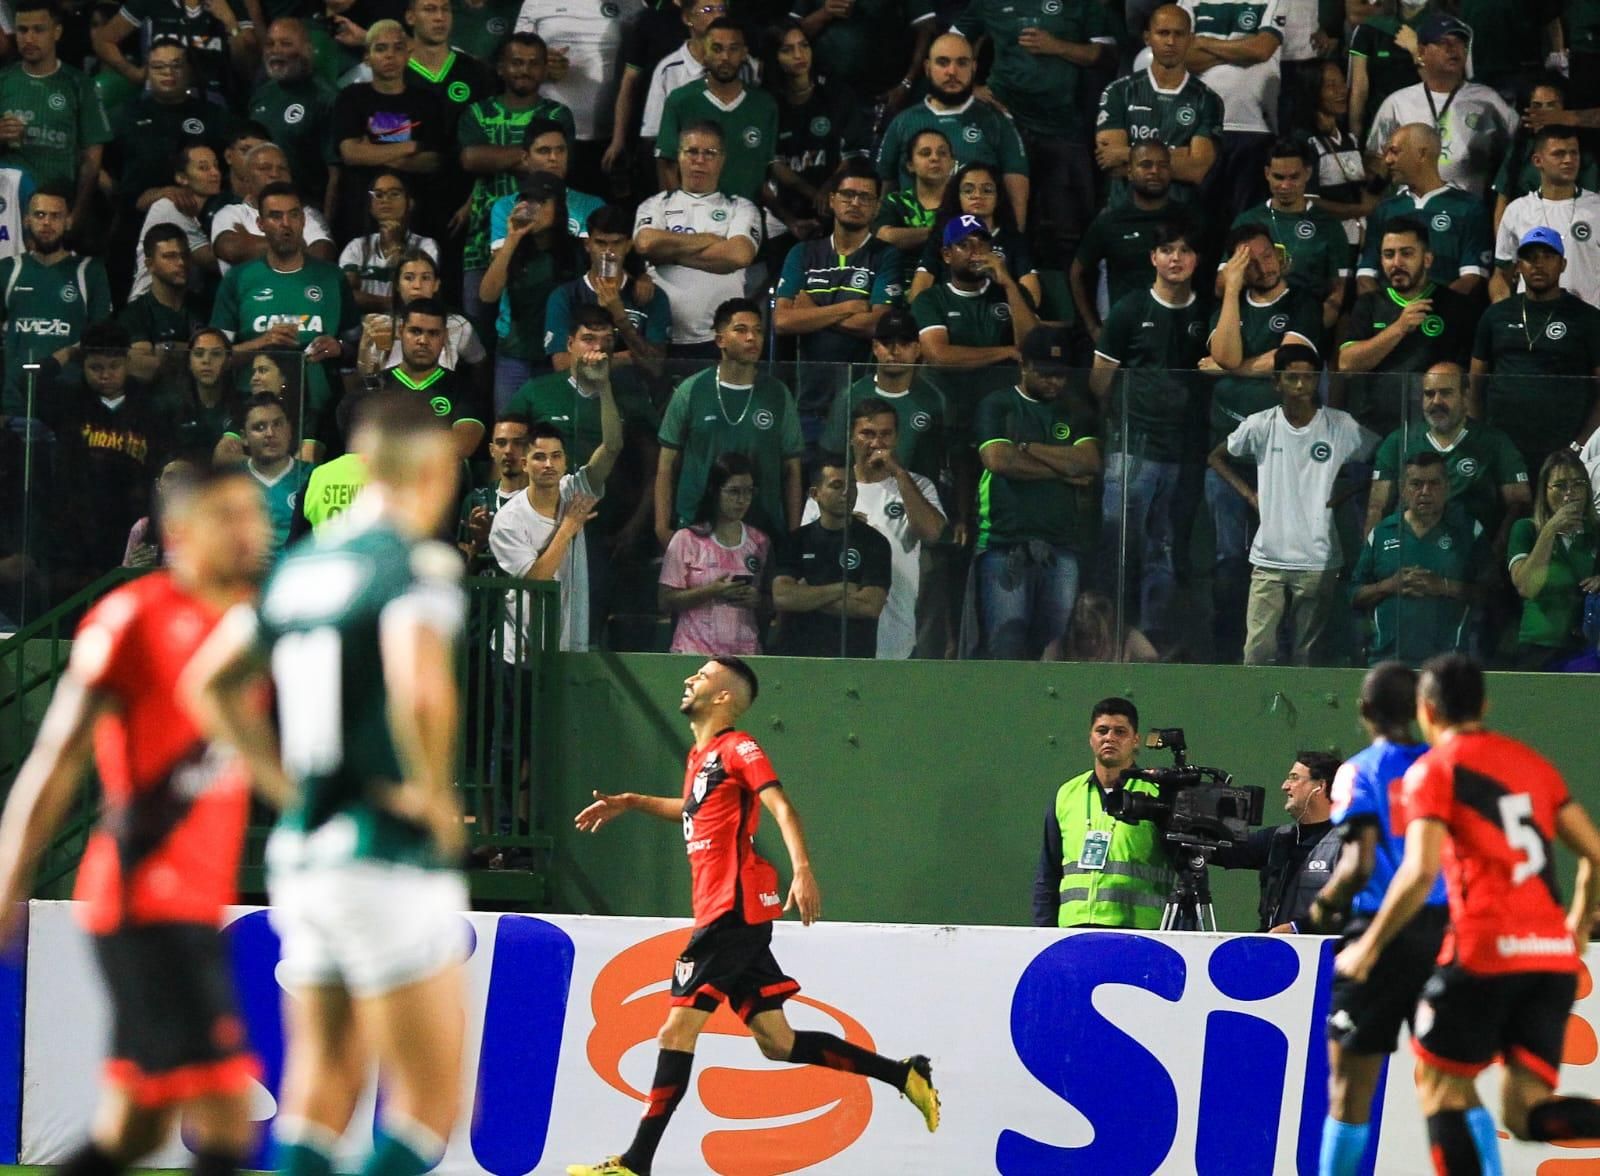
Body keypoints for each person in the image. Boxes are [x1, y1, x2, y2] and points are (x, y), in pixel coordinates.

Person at [184, 395, 473, 1176]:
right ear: (433, 468)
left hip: (304, 848)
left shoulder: (296, 571)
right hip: (383, 848)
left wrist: (282, 786)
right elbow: (418, 686)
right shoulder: (416, 561)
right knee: (428, 1101)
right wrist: (434, 792)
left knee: (322, 1083)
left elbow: (208, 683)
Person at [566, 655, 939, 1176]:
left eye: (701, 674)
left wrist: (802, 870)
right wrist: (632, 801)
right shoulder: (702, 757)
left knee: (676, 1031)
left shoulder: (740, 747)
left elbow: (782, 806)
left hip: (730, 913)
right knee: (778, 1043)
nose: (689, 677)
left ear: (723, 698)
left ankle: (634, 1164)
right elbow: (691, 807)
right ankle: (904, 1075)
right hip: (729, 914)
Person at [0, 466, 268, 1176]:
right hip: (145, 895)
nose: (251, 530)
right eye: (228, 516)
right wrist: (7, 881)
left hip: (192, 903)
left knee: (136, 1132)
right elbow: (57, 757)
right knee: (227, 1121)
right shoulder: (136, 616)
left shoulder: (249, 629)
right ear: (179, 534)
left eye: (255, 513)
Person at [1334, 653, 1600, 1172]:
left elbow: (1417, 873)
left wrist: (1368, 947)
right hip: (1551, 962)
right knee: (1525, 1114)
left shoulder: (1432, 770)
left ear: (1426, 710)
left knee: (1439, 1087)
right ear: (1485, 703)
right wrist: (1578, 922)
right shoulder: (1533, 764)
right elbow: (1594, 852)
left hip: (1485, 951)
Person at [1309, 661, 1447, 1176]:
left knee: (1350, 1088)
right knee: (1451, 1088)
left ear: (1365, 710)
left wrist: (1322, 907)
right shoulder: (1444, 764)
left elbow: (1359, 863)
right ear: (1419, 710)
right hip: (1443, 932)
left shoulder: (1359, 770)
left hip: (1377, 934)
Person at [1210, 344, 1376, 666]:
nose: (1301, 385)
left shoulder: (1340, 425)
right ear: (1277, 382)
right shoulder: (1261, 425)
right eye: (1292, 378)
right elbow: (1216, 457)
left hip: (1319, 559)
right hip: (1268, 556)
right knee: (1256, 653)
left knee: (1308, 657)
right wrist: (1250, 495)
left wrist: (1348, 493)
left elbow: (1381, 459)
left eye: (1309, 378)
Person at [1089, 216, 1210, 653]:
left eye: (1185, 250)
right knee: (1119, 545)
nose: (1176, 258)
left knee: (1164, 548)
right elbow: (1099, 381)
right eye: (1167, 250)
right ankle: (1106, 637)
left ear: (1196, 260)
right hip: (1133, 450)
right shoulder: (1130, 308)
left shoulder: (1206, 311)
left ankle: (1152, 640)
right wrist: (1114, 433)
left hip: (1183, 452)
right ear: (1153, 257)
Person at [1204, 226, 1324, 661]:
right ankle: (1230, 654)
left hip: (1288, 458)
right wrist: (1232, 291)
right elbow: (1225, 351)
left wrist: (1229, 367)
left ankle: (1291, 656)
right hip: (1229, 461)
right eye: (1249, 261)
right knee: (1229, 561)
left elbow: (1291, 363)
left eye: (1267, 254)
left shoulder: (1301, 302)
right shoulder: (1228, 305)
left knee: (1288, 563)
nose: (1264, 264)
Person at [951, 0, 1115, 267]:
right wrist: (971, 86)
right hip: (1004, 120)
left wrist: (1058, 46)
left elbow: (1107, 55)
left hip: (1061, 126)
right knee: (1000, 217)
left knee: (1069, 227)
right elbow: (953, 39)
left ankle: (1063, 296)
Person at [972, 327, 1101, 661]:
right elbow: (999, 460)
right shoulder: (998, 404)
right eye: (1045, 373)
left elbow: (1089, 462)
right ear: (1025, 366)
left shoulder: (1075, 410)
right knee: (1005, 644)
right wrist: (1063, 470)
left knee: (1055, 648)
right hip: (1003, 542)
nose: (1054, 382)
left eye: (1060, 375)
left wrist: (1028, 448)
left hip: (1061, 545)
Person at [490, 348, 623, 654]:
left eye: (556, 456)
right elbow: (537, 581)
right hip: (518, 653)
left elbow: (613, 446)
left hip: (564, 644)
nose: (548, 464)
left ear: (565, 462)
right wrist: (569, 527)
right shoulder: (509, 520)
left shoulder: (575, 489)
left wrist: (604, 387)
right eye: (539, 457)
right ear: (524, 464)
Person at [210, 182, 354, 459]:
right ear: (261, 223)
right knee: (224, 457)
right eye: (276, 216)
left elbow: (355, 346)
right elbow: (216, 356)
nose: (285, 224)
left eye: (293, 214)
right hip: (251, 406)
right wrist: (262, 342)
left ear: (303, 219)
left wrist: (338, 347)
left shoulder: (332, 279)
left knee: (308, 463)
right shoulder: (238, 278)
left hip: (315, 407)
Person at [655, 298, 803, 548]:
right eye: (741, 330)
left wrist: (794, 533)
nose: (752, 338)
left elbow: (793, 469)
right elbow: (666, 466)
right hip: (697, 525)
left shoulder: (778, 394)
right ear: (720, 339)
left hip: (761, 527)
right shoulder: (690, 391)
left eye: (757, 331)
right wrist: (661, 527)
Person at [806, 397, 945, 659]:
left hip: (896, 625)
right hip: (837, 627)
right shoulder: (831, 487)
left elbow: (933, 534)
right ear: (850, 437)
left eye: (885, 434)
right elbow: (808, 550)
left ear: (896, 438)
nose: (876, 443)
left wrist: (900, 474)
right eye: (867, 434)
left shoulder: (919, 486)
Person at [458, 33, 576, 328]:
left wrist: (497, 158)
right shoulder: (477, 112)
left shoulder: (557, 114)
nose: (525, 70)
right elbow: (471, 159)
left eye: (534, 63)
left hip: (542, 242)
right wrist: (531, 159)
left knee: (536, 327)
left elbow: (553, 172)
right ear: (501, 67)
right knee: (477, 333)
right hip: (483, 240)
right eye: (517, 62)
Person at [775, 161, 902, 432]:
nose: (855, 202)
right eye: (847, 194)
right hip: (807, 404)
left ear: (877, 207)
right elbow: (783, 321)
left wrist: (813, 311)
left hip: (864, 409)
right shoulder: (803, 253)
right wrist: (849, 308)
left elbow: (878, 325)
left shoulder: (886, 255)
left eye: (865, 197)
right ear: (832, 200)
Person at [1031, 697, 1173, 929]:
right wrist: (1044, 934)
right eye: (1102, 730)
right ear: (1091, 738)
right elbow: (1048, 875)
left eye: (1120, 732)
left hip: (1138, 935)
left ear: (1135, 740)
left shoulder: (1157, 795)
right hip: (1073, 933)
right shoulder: (1067, 795)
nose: (1109, 738)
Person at [1471, 227, 1600, 476]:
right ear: (1519, 266)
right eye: (1531, 257)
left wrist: (1580, 444)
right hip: (1504, 446)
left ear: (1562, 264)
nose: (1538, 264)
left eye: (1547, 256)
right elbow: (1475, 383)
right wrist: (1482, 437)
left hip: (1565, 447)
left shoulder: (1588, 318)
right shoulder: (1496, 315)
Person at [1340, 217, 1479, 444]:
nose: (1396, 263)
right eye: (1388, 255)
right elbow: (1347, 364)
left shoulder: (1456, 306)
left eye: (1406, 253)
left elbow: (1466, 375)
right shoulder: (1369, 304)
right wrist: (1399, 327)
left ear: (1427, 259)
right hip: (1372, 430)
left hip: (1436, 431)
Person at [1366, 362, 1529, 550]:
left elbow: (1519, 505)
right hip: (1409, 552)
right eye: (1429, 394)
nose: (1436, 401)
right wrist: (1371, 558)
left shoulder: (1495, 442)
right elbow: (1377, 507)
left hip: (1471, 554)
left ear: (1465, 396)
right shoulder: (1398, 441)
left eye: (1445, 393)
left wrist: (1494, 556)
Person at [875, 33, 1030, 228]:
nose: (952, 71)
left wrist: (1014, 247)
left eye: (962, 63)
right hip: (911, 244)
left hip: (977, 243)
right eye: (943, 62)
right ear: (927, 68)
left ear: (973, 68)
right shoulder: (902, 122)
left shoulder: (996, 121)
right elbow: (884, 191)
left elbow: (1017, 194)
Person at [631, 122, 762, 354]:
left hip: (719, 338)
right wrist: (711, 239)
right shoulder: (656, 204)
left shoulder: (741, 207)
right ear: (679, 157)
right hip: (660, 337)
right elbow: (645, 243)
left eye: (709, 153)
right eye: (691, 151)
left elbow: (739, 255)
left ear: (722, 159)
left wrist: (668, 255)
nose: (699, 160)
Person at [1353, 451, 1482, 665]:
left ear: (1447, 487)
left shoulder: (1469, 531)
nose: (1425, 492)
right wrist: (1387, 586)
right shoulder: (1383, 531)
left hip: (1448, 665)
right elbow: (1354, 595)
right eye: (1416, 484)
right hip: (1387, 663)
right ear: (1403, 489)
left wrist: (1443, 586)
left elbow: (1490, 593)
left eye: (1434, 483)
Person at [1365, 12, 1515, 197]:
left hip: (1467, 212)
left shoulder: (1488, 100)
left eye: (1460, 42)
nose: (1453, 49)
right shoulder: (1397, 102)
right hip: (1411, 212)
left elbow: (1518, 149)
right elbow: (1375, 161)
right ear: (1421, 51)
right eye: (1443, 42)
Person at [0, 184, 113, 418]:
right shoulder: (8, 270)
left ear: (69, 221)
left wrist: (64, 357)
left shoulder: (89, 271)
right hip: (13, 407)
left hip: (70, 405)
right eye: (39, 215)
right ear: (26, 220)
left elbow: (102, 339)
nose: (46, 223)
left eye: (55, 215)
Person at [0, 0, 112, 234]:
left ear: (57, 32)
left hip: (57, 212)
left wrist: (75, 216)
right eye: (22, 30)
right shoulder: (3, 80)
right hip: (7, 212)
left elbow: (92, 161)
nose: (29, 38)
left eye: (38, 30)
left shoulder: (80, 85)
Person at [1094, 4, 1223, 205]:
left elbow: (1196, 170)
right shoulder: (1118, 92)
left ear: (1190, 40)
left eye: (1178, 34)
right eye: (1163, 33)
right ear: (1148, 38)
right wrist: (1177, 156)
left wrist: (1126, 153)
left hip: (1180, 216)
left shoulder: (1207, 100)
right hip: (1124, 210)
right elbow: (1110, 164)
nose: (1171, 42)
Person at [480, 170, 585, 413]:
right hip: (516, 356)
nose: (533, 208)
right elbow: (487, 295)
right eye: (528, 201)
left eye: (542, 201)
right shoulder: (513, 250)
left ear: (558, 206)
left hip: (558, 357)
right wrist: (513, 238)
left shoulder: (576, 252)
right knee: (510, 428)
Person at [330, 21, 445, 242]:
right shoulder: (351, 98)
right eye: (381, 48)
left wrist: (372, 151)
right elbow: (351, 154)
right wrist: (410, 146)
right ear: (367, 57)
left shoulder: (427, 101)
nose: (390, 55)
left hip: (416, 219)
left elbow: (432, 161)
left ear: (408, 55)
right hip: (360, 216)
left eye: (398, 48)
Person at [1229, 137, 1352, 334]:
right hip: (1254, 325)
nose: (1285, 186)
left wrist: (1308, 331)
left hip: (1309, 325)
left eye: (1293, 177)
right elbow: (1223, 284)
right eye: (1278, 177)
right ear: (1267, 174)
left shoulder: (1329, 226)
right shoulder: (1247, 221)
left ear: (1308, 174)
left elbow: (1338, 292)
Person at [1179, 0, 1288, 223]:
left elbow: (1261, 49)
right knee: (1199, 221)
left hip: (1254, 126)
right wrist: (1241, 48)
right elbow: (1182, 56)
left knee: (1248, 221)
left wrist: (1203, 42)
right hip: (1201, 128)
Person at [771, 458, 891, 657]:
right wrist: (841, 588)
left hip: (854, 660)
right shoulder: (796, 541)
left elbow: (869, 606)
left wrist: (805, 595)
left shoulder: (874, 542)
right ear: (814, 494)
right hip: (799, 658)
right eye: (837, 485)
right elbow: (782, 597)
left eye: (851, 485)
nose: (847, 492)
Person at [1071, 141, 1188, 344]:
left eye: (1162, 165)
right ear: (1130, 172)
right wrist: (1093, 327)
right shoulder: (1110, 221)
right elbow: (1077, 273)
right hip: (1126, 336)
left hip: (1178, 334)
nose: (1155, 171)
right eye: (1146, 165)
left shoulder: (1189, 218)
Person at [1357, 124, 1493, 298]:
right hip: (1392, 319)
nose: (1387, 160)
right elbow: (1366, 276)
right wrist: (1388, 311)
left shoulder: (1469, 208)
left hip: (1443, 319)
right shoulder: (1385, 210)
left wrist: (1430, 311)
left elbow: (1472, 277)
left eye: (1395, 151)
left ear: (1421, 154)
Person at [1214, 752, 1344, 933]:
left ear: (1320, 786)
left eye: (1294, 778)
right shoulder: (1278, 839)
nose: (1285, 786)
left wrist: (1297, 929)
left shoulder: (1349, 844)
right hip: (1274, 952)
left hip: (1321, 957)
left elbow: (1357, 910)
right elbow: (1220, 851)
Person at [658, 452, 770, 656]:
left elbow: (771, 602)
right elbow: (665, 601)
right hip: (693, 651)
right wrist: (712, 591)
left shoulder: (760, 542)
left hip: (745, 655)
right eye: (734, 492)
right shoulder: (686, 539)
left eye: (748, 492)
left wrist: (758, 601)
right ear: (715, 491)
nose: (742, 500)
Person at [656, 19, 778, 205]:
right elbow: (667, 165)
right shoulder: (681, 100)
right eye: (717, 48)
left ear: (744, 53)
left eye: (733, 49)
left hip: (748, 218)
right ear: (704, 53)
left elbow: (765, 172)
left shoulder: (764, 105)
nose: (725, 57)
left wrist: (788, 219)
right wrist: (678, 213)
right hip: (695, 217)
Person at [542, 205, 671, 373]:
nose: (608, 252)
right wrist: (627, 358)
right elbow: (561, 364)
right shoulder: (564, 296)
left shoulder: (652, 295)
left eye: (616, 243)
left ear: (628, 245)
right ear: (587, 244)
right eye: (600, 243)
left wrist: (620, 317)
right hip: (581, 393)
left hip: (634, 393)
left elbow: (656, 365)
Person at [1506, 451, 1600, 669]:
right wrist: (1550, 529)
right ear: (1544, 491)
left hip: (1584, 650)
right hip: (1538, 649)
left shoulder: (1595, 533)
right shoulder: (1526, 530)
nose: (1570, 494)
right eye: (1560, 486)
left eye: (1578, 484)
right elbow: (1527, 586)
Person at [906, 161, 1041, 307]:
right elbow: (918, 293)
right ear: (958, 197)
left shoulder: (1013, 239)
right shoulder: (941, 237)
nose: (977, 195)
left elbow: (1033, 297)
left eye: (987, 190)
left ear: (998, 197)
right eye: (968, 190)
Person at [1491, 127, 1600, 306]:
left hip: (1587, 326)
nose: (1569, 160)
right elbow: (1501, 274)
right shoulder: (1517, 210)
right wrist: (1503, 311)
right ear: (1538, 160)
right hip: (1533, 324)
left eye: (1574, 153)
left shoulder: (1596, 208)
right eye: (1559, 154)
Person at [210, 143, 338, 275]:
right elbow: (231, 250)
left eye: (282, 168)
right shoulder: (230, 214)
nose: (275, 174)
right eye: (265, 168)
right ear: (247, 180)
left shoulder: (308, 214)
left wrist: (251, 242)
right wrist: (299, 246)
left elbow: (322, 255)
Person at [249, 18, 338, 203]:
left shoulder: (325, 99)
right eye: (270, 44)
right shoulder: (261, 94)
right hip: (260, 209)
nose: (275, 51)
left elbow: (335, 174)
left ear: (307, 49)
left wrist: (327, 225)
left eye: (286, 44)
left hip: (306, 210)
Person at [127, 142, 223, 300]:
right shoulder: (170, 207)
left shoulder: (205, 212)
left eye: (216, 166)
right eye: (203, 168)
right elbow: (210, 261)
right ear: (182, 178)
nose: (215, 173)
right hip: (149, 306)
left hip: (178, 305)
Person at [121, 224, 210, 391]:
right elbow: (143, 368)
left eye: (184, 255)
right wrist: (198, 353)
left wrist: (169, 350)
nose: (181, 263)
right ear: (150, 264)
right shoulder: (135, 313)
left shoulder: (205, 306)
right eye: (170, 256)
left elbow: (219, 358)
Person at [339, 172, 438, 311]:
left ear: (410, 203)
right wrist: (391, 304)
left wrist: (395, 245)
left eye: (394, 194)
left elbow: (420, 293)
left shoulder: (426, 246)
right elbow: (346, 294)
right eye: (378, 195)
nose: (385, 200)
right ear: (371, 206)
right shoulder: (356, 247)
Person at [240, 393, 313, 556]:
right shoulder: (230, 482)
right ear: (244, 437)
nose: (270, 433)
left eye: (278, 424)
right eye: (259, 427)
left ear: (289, 430)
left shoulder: (314, 477)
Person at [459, 414, 530, 571]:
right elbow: (464, 572)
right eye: (501, 443)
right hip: (487, 593)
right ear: (492, 450)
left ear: (530, 448)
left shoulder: (541, 499)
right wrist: (479, 544)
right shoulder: (476, 500)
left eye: (518, 443)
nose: (508, 450)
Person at [874, 127, 953, 257]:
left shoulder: (962, 202)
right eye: (925, 153)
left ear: (952, 163)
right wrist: (942, 232)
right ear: (910, 165)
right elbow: (885, 236)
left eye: (942, 153)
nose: (935, 158)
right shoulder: (895, 202)